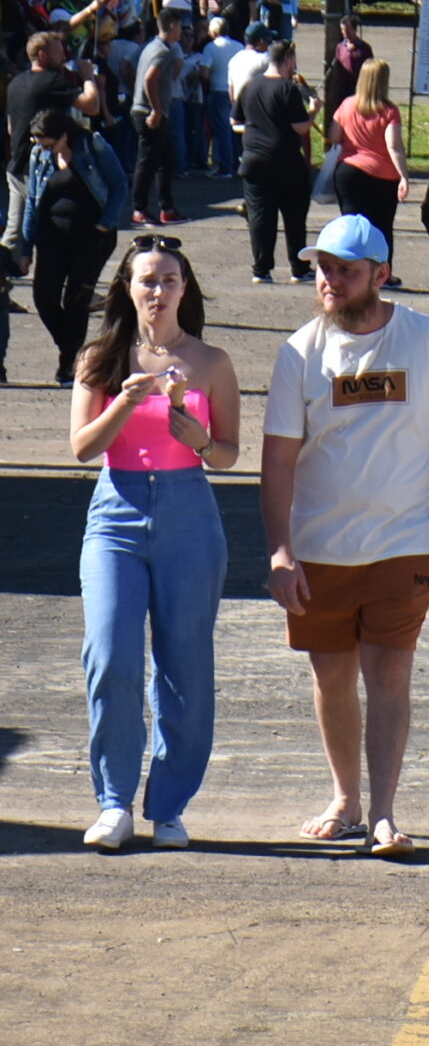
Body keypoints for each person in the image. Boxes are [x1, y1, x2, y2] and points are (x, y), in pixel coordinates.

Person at [259, 213, 429, 858]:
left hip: (406, 540)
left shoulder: (427, 339)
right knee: (332, 676)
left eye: (345, 271)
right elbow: (277, 460)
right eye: (322, 268)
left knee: (388, 671)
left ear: (380, 276)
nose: (329, 281)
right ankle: (346, 799)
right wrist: (279, 549)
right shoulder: (300, 352)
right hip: (320, 545)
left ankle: (384, 812)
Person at [69, 236, 241, 850]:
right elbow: (82, 447)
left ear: (184, 289)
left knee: (186, 666)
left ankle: (168, 806)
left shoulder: (212, 362)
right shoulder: (100, 356)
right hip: (116, 510)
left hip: (189, 512)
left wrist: (197, 437)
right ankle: (113, 802)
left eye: (169, 280)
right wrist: (125, 401)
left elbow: (226, 454)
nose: (158, 291)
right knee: (110, 654)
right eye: (147, 280)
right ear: (127, 288)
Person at [25, 107, 130, 385]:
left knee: (76, 300)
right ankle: (72, 350)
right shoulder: (39, 156)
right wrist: (25, 246)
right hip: (50, 237)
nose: (42, 148)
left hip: (90, 236)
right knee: (44, 298)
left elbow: (119, 185)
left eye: (47, 143)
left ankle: (69, 364)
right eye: (38, 143)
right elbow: (32, 201)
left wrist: (106, 223)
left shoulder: (92, 146)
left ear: (63, 136)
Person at [7, 31, 103, 258]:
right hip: (41, 167)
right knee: (51, 229)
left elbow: (11, 127)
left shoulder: (16, 82)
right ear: (42, 55)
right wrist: (88, 76)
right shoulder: (52, 81)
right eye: (58, 51)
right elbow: (92, 106)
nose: (63, 56)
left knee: (14, 232)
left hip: (16, 164)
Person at [238, 38, 315, 286]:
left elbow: (235, 122)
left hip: (253, 159)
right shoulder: (287, 88)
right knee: (294, 216)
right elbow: (300, 126)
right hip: (285, 161)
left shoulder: (250, 86)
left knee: (261, 215)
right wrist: (314, 109)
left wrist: (256, 129)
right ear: (289, 61)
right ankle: (298, 267)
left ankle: (261, 268)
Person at [328, 59, 410, 287]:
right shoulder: (389, 110)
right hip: (382, 176)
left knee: (352, 226)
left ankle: (347, 270)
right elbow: (393, 145)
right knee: (382, 228)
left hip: (349, 172)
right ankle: (383, 275)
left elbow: (334, 137)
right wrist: (403, 175)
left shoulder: (346, 105)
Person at [129, 3, 186, 225]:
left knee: (165, 161)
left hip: (148, 110)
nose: (180, 32)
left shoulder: (151, 46)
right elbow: (149, 78)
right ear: (171, 26)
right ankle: (138, 208)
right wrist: (156, 109)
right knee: (147, 161)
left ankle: (167, 208)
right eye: (179, 27)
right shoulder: (163, 51)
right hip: (149, 113)